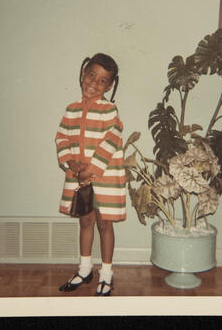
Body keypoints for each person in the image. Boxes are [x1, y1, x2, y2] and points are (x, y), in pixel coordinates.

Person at [55, 53, 126, 296]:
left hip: (104, 177)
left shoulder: (109, 111)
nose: (94, 84)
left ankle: (106, 273)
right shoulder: (71, 110)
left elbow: (111, 141)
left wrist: (91, 169)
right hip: (79, 176)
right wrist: (71, 163)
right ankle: (85, 269)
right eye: (91, 76)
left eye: (102, 81)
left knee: (105, 223)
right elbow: (62, 138)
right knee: (85, 221)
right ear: (83, 74)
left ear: (110, 86)